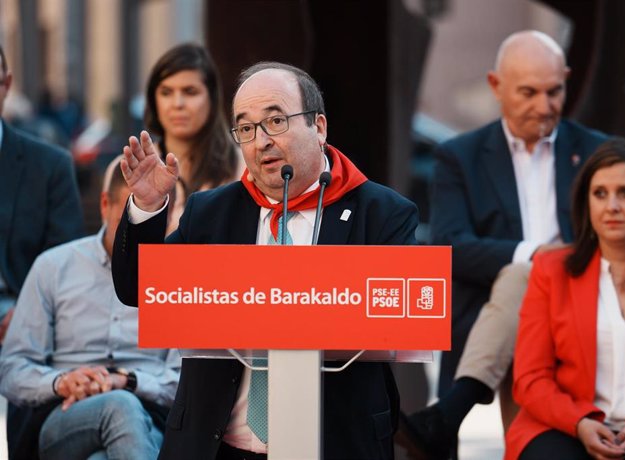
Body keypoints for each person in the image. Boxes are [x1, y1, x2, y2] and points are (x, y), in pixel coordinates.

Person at [111, 61, 418, 459]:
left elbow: (402, 321)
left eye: (275, 121)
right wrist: (147, 209)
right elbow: (138, 288)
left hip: (335, 443)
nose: (261, 142)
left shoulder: (382, 213)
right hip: (219, 445)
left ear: (319, 127)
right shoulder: (211, 213)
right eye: (246, 128)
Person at [395, 31, 608, 459]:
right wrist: (534, 255)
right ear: (496, 86)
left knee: (526, 277)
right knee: (523, 279)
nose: (544, 106)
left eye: (555, 91)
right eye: (529, 92)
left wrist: (545, 263)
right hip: (499, 315)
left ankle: (448, 414)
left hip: (583, 301)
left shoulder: (596, 152)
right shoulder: (460, 155)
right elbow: (452, 246)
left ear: (567, 79)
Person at [506, 139, 625, 460]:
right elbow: (531, 377)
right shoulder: (551, 271)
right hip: (568, 423)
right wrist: (580, 422)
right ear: (586, 202)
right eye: (600, 194)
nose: (612, 206)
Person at [0, 155, 180, 460]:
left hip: (151, 417)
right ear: (104, 205)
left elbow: (187, 379)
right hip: (66, 413)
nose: (137, 224)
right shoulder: (54, 267)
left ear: (168, 212)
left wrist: (127, 380)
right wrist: (60, 382)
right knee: (120, 406)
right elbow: (12, 367)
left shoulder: (179, 279)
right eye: (130, 211)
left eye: (150, 212)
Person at [0, 44, 84, 345]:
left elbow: (67, 263)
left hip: (22, 313)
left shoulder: (50, 166)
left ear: (6, 84)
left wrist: (28, 313)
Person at [144, 43, 240, 234]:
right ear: (153, 99)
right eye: (166, 92)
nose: (177, 103)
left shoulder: (245, 167)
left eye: (190, 92)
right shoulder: (132, 169)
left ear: (212, 98)